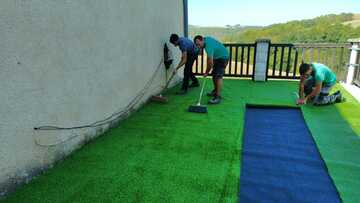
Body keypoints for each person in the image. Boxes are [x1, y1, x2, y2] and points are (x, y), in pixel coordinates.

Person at [193, 35, 229, 104]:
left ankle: (218, 97)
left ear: (202, 40)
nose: (198, 46)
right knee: (214, 74)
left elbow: (210, 62)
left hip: (223, 57)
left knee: (218, 76)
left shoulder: (208, 46)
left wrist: (206, 72)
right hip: (217, 57)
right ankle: (215, 91)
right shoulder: (206, 39)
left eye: (198, 44)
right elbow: (209, 58)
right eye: (196, 45)